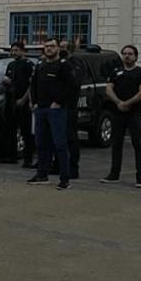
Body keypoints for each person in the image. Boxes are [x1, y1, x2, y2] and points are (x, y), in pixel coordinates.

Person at [102, 45, 141, 188]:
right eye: (124, 54)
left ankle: (140, 178)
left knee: (138, 145)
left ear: (135, 56)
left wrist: (127, 103)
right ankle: (114, 174)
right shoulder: (116, 72)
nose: (127, 56)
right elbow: (108, 88)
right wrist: (118, 102)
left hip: (133, 113)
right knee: (116, 144)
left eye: (130, 54)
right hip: (117, 112)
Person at [27, 39, 73, 189]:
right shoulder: (40, 65)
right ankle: (42, 174)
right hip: (40, 109)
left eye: (52, 46)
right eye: (46, 47)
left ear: (58, 48)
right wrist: (34, 102)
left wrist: (58, 102)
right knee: (41, 144)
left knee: (59, 144)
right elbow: (33, 85)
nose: (48, 49)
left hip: (56, 110)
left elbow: (70, 86)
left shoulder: (64, 65)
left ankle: (65, 178)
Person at [2, 41, 35, 167]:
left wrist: (24, 99)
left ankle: (28, 159)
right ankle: (11, 156)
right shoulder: (11, 65)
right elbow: (7, 81)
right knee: (10, 129)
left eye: (16, 50)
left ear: (22, 51)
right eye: (12, 50)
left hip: (23, 101)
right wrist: (6, 82)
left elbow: (31, 85)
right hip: (11, 100)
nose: (13, 52)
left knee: (26, 131)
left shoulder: (28, 64)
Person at [58, 38, 83, 179]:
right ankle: (58, 165)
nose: (60, 50)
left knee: (71, 138)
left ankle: (73, 168)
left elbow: (74, 82)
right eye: (59, 47)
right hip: (57, 106)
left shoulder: (76, 63)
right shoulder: (57, 63)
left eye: (63, 47)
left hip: (69, 106)